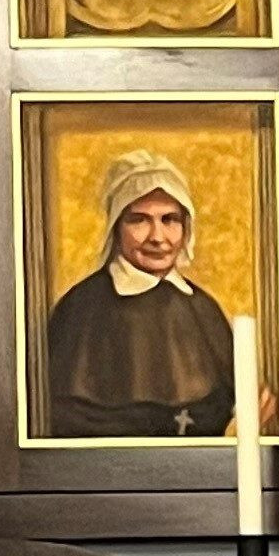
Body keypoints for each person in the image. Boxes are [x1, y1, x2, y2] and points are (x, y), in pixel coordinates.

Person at [43, 151, 242, 438]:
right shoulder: (81, 310)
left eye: (170, 219)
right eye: (140, 220)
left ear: (186, 228)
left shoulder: (203, 308)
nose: (158, 237)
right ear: (116, 227)